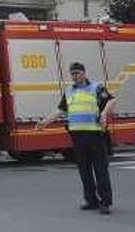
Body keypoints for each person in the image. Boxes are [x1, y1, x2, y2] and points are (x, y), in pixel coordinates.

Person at [37, 62, 117, 215]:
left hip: (95, 135)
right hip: (77, 136)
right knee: (84, 170)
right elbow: (59, 110)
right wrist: (45, 122)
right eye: (72, 73)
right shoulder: (69, 91)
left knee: (100, 170)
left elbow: (111, 100)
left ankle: (105, 202)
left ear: (84, 73)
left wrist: (104, 113)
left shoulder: (96, 87)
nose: (75, 76)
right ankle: (91, 200)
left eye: (77, 73)